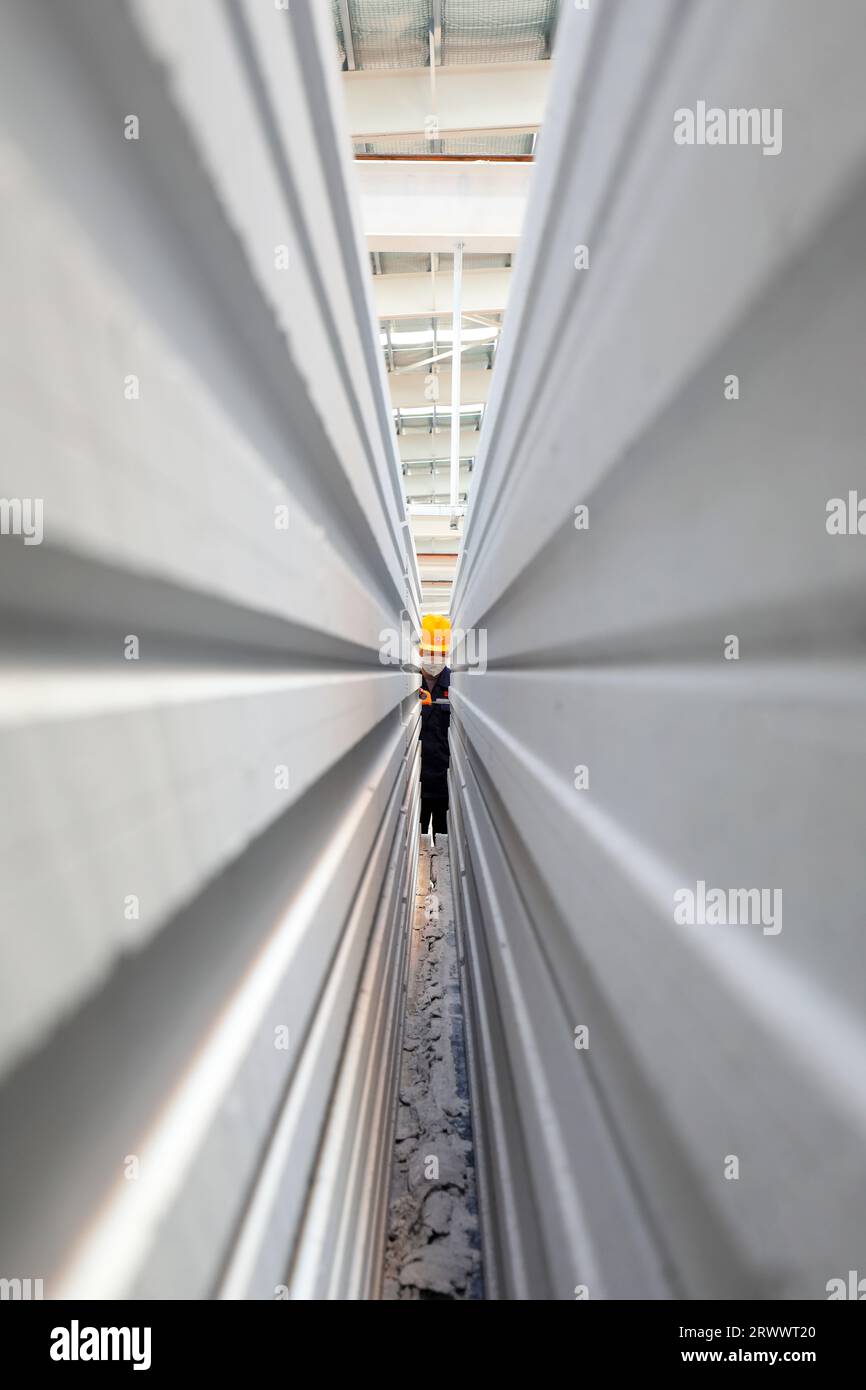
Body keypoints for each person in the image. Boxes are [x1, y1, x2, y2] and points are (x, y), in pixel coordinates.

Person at [418, 614, 451, 840]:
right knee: (413, 840)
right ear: (421, 652)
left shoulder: (456, 684)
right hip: (416, 783)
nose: (433, 658)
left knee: (444, 840)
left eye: (438, 654)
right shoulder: (407, 683)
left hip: (443, 784)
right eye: (429, 652)